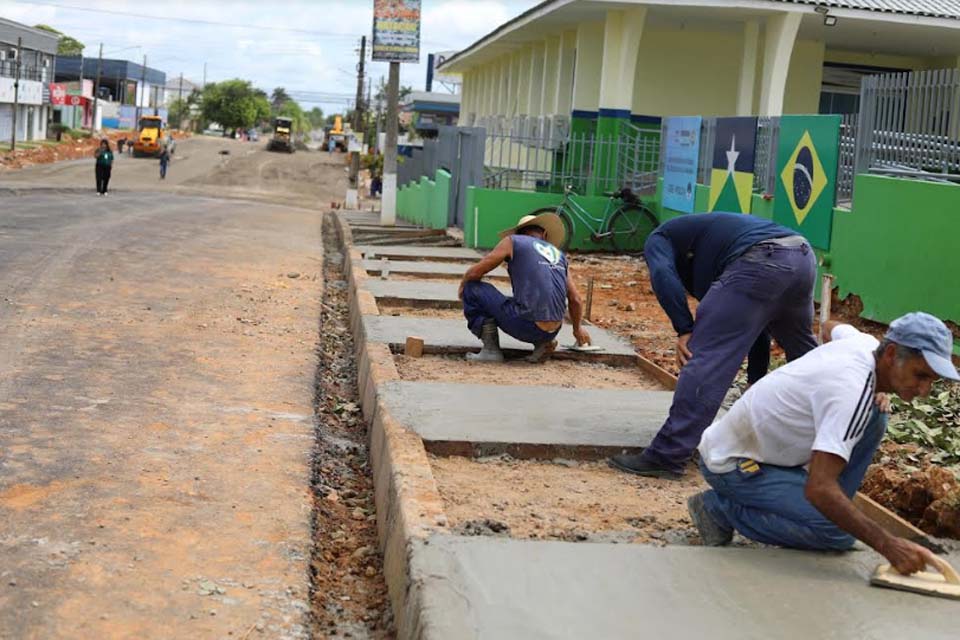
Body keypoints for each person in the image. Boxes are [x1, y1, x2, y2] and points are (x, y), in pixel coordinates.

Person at [689, 312, 959, 575]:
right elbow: (819, 488)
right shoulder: (850, 391)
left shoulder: (867, 345)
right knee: (836, 533)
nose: (924, 390)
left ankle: (829, 508)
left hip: (768, 455)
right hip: (732, 463)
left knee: (876, 415)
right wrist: (888, 544)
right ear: (891, 355)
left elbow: (830, 326)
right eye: (920, 375)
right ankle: (719, 509)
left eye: (931, 381)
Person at [610, 212, 819, 478]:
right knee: (809, 360)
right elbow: (754, 324)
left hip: (762, 258)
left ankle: (667, 455)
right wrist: (756, 377)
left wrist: (684, 328)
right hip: (801, 257)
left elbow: (662, 273)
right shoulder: (715, 246)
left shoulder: (659, 237)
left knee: (705, 357)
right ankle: (839, 435)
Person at [458, 212, 591, 363]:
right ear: (545, 234)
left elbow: (476, 272)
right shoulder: (559, 255)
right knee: (516, 302)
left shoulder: (513, 241)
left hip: (525, 326)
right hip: (552, 331)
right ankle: (543, 343)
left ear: (519, 233)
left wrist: (464, 285)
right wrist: (577, 329)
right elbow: (576, 299)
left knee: (472, 288)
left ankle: (491, 351)